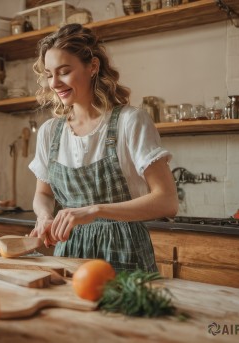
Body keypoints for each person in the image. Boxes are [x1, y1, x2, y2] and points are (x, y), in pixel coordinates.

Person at [28, 23, 178, 272]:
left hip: (125, 253)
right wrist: (44, 216)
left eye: (64, 72)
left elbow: (167, 201)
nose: (54, 83)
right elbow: (43, 194)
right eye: (49, 74)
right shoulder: (49, 133)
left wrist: (95, 211)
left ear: (93, 67)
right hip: (69, 254)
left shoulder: (130, 122)